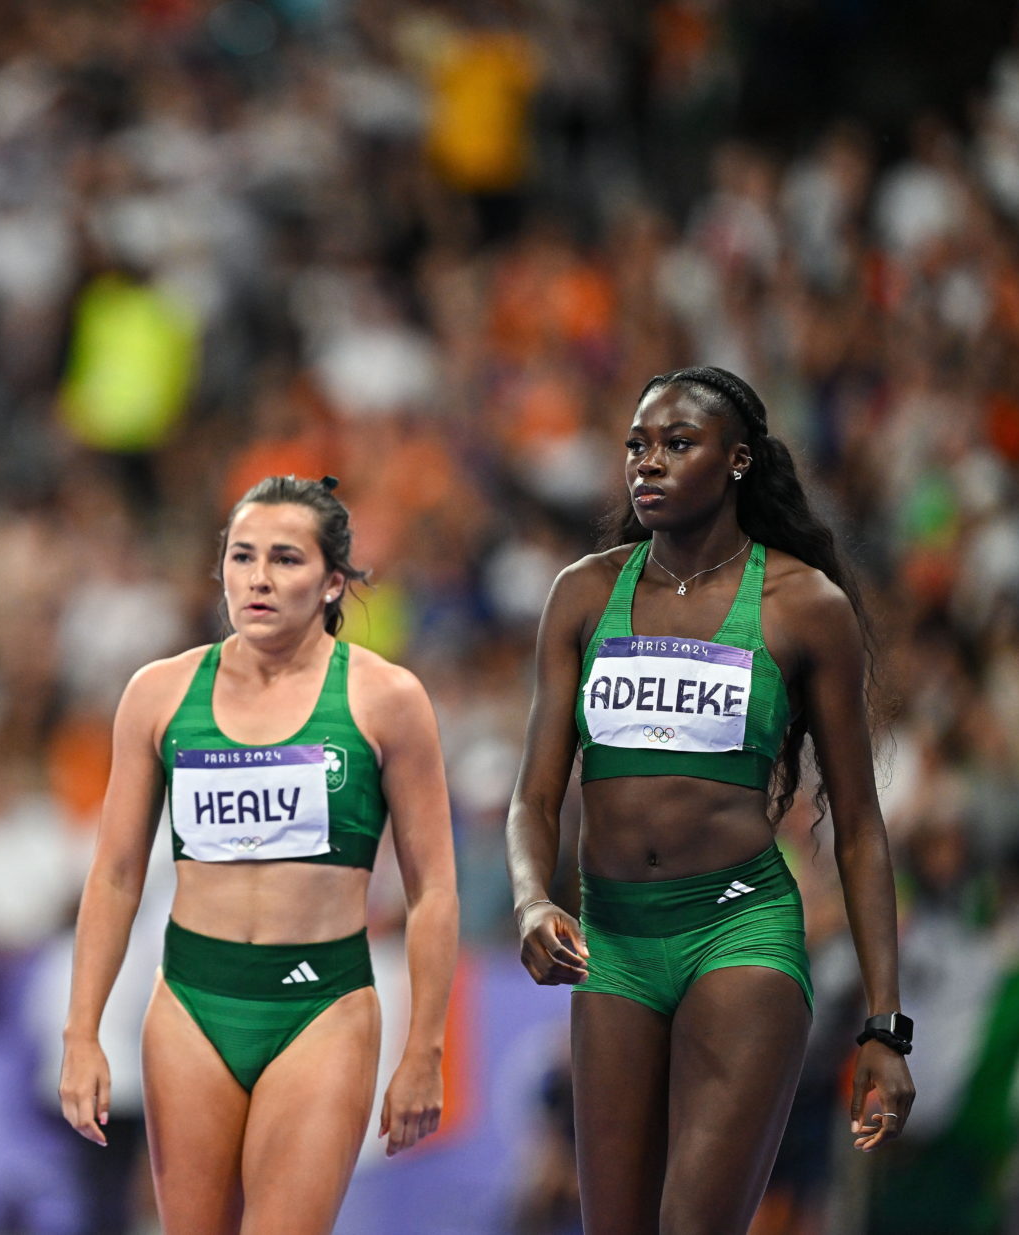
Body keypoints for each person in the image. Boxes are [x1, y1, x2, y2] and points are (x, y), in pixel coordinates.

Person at [504, 366, 916, 1235]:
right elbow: (535, 794)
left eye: (676, 444)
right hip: (611, 940)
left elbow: (862, 831)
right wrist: (533, 896)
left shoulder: (804, 605)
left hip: (739, 930)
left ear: (736, 462)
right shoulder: (583, 594)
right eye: (636, 447)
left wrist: (885, 1024)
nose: (646, 464)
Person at [60, 475, 460, 1235]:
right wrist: (81, 1035)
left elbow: (434, 887)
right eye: (242, 556)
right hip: (190, 1005)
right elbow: (113, 876)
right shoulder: (159, 694)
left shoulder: (387, 700)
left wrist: (424, 1052)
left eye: (285, 558)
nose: (260, 578)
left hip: (322, 1010)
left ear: (333, 580)